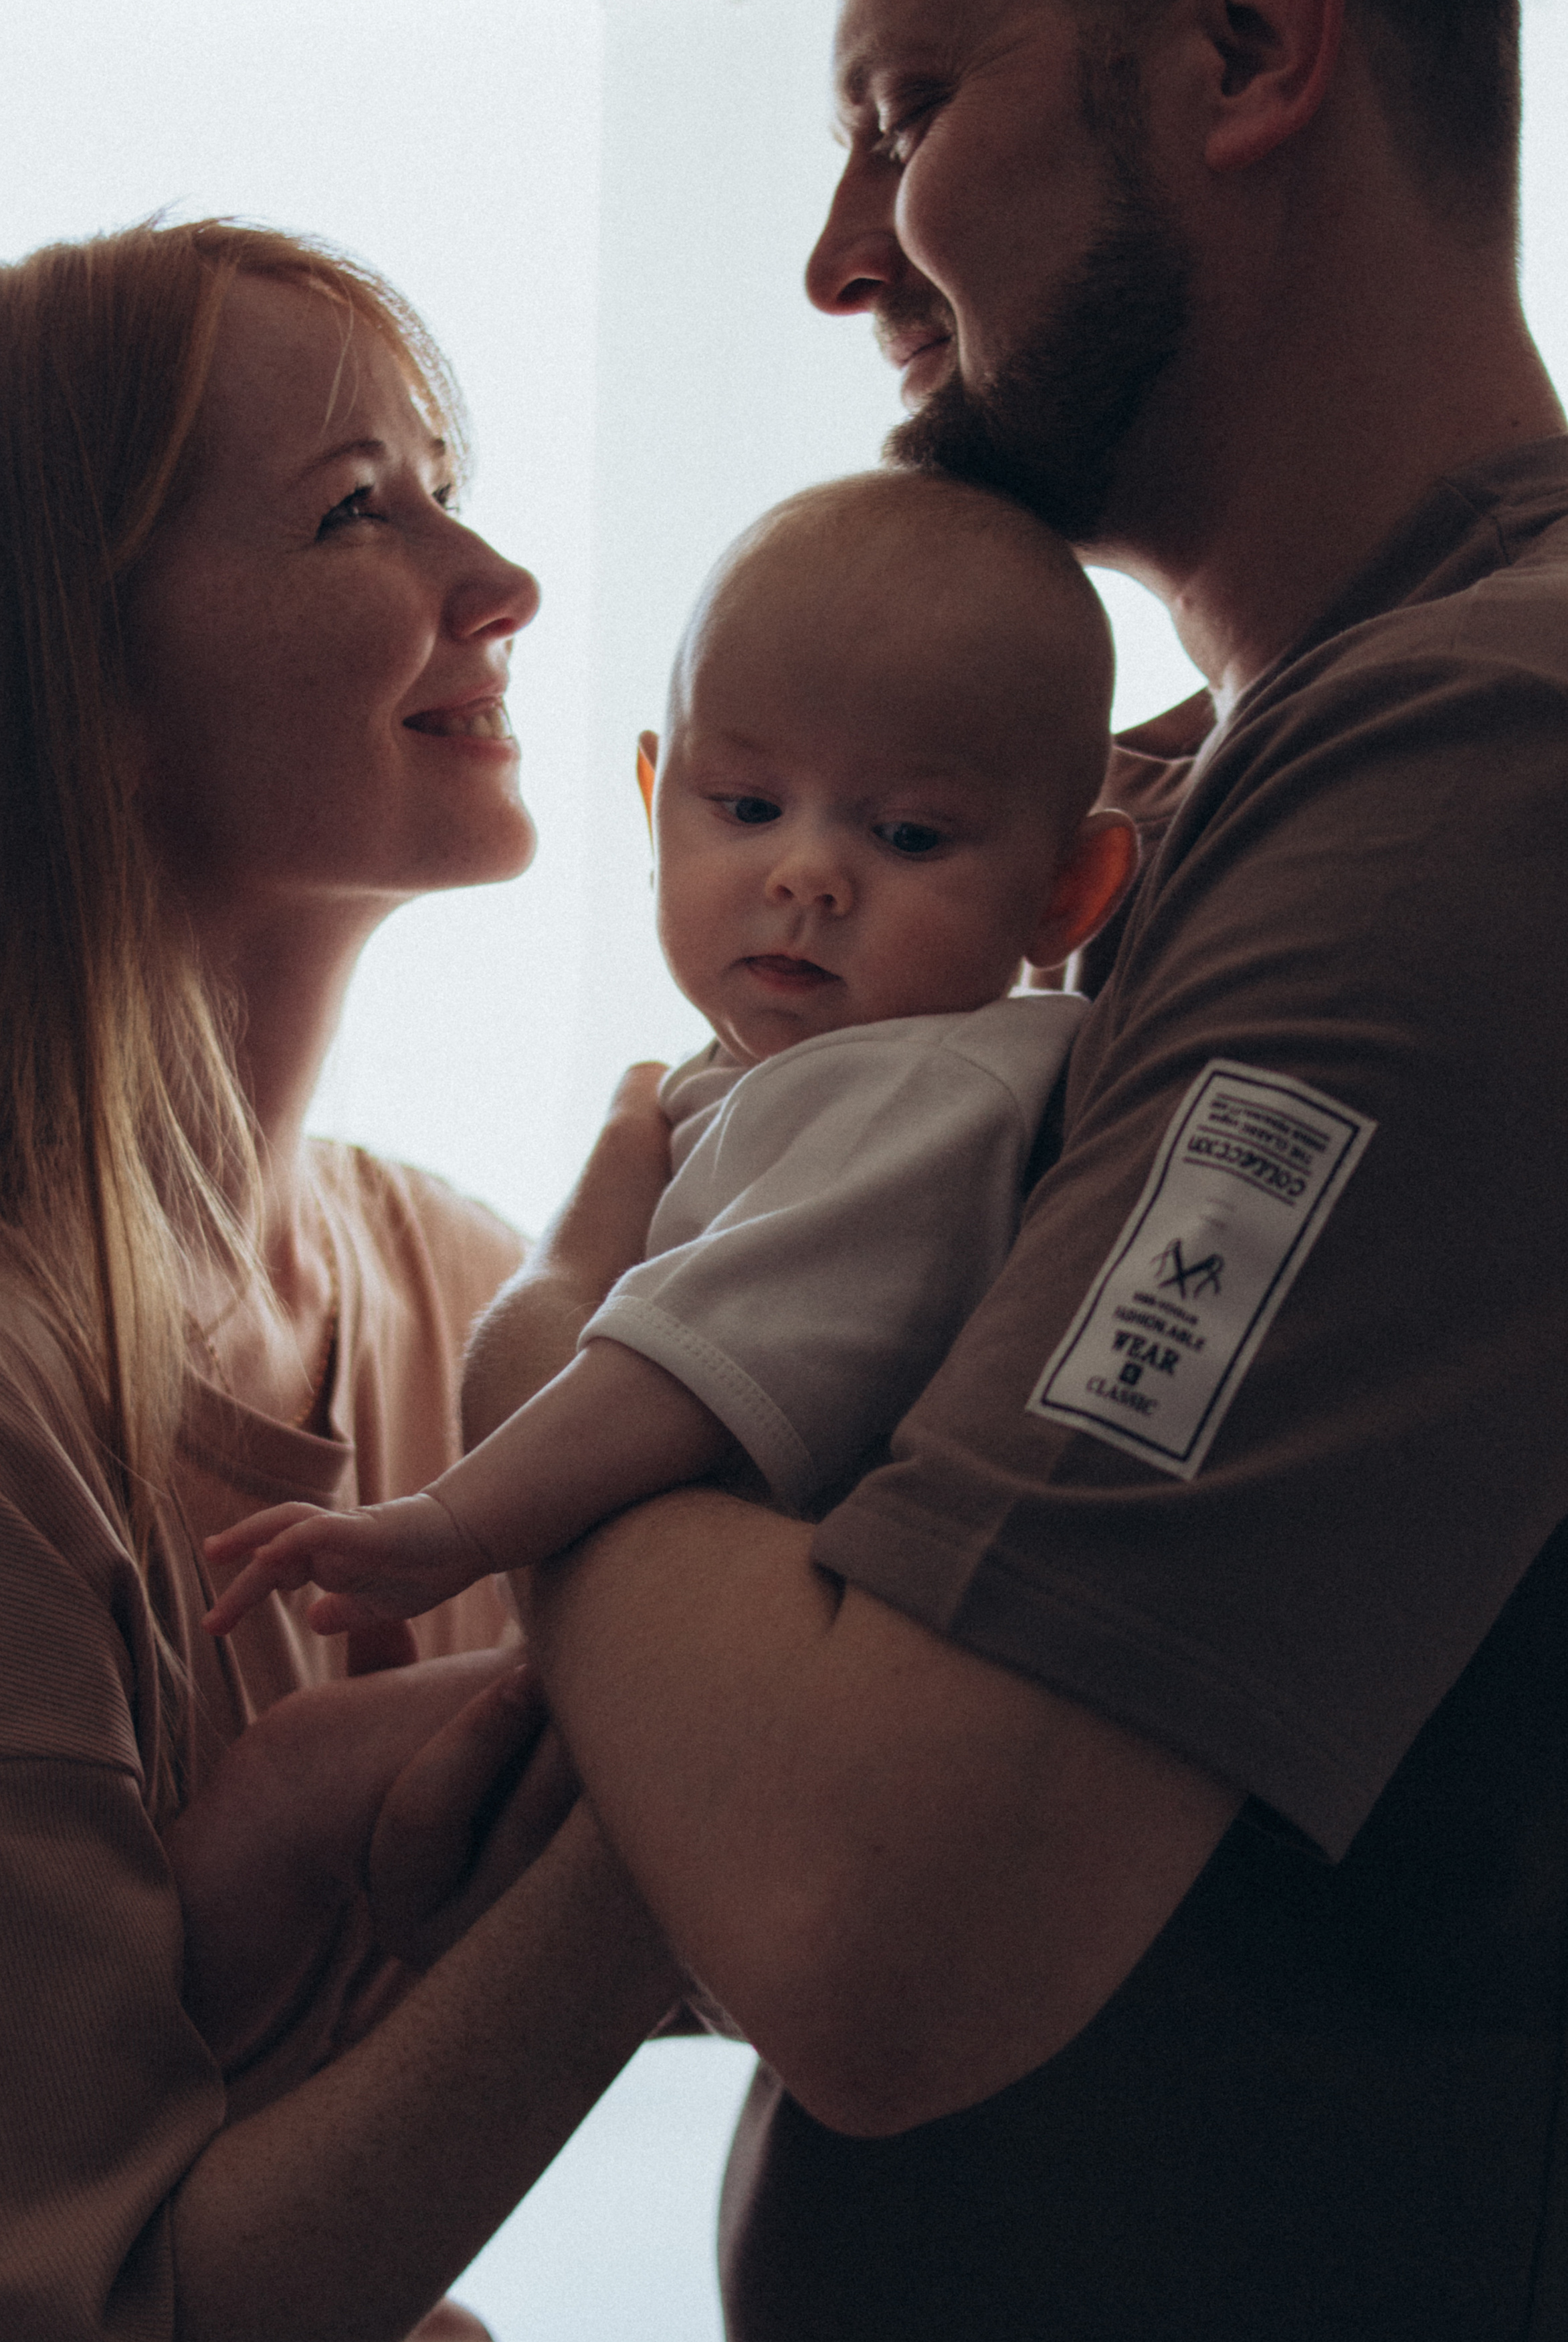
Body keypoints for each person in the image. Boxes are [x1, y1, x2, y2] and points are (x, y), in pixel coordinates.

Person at [451, 0, 1568, 2342]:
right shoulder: (1216, 800)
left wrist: (547, 1363)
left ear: (1249, 52)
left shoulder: (1481, 774)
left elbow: (878, 1912)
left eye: (907, 111)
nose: (844, 256)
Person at [0, 218, 679, 2342]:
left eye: (444, 478)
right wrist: (659, 1803)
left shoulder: (478, 1290)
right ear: (86, 688)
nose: (494, 576)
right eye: (358, 509)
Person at [196, 470, 1136, 1638]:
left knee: (291, 1782)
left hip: (766, 1660)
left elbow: (682, 1380)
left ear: (1068, 892)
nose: (806, 875)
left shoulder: (930, 1097)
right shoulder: (789, 1073)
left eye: (905, 835)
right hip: (691, 1638)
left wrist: (453, 1523)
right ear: (655, 803)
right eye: (746, 807)